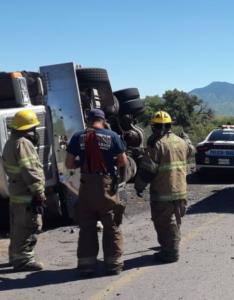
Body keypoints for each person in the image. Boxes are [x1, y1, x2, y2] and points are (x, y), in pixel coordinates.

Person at [65, 108, 128, 276]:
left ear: (88, 120)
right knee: (111, 224)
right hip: (105, 185)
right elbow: (123, 161)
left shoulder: (78, 137)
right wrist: (110, 162)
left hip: (86, 185)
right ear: (103, 120)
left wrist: (82, 163)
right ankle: (113, 264)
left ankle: (87, 265)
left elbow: (69, 164)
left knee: (87, 226)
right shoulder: (112, 136)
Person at [135, 110, 194, 263]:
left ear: (155, 127)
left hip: (163, 192)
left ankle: (170, 253)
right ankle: (171, 248)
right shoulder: (181, 142)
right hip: (181, 191)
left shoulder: (157, 145)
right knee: (175, 221)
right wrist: (187, 140)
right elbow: (190, 151)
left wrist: (139, 186)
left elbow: (148, 171)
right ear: (169, 126)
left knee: (165, 223)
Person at [2, 109, 46, 271]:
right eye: (32, 128)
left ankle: (15, 255)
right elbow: (31, 169)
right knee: (29, 225)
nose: (34, 131)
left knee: (17, 226)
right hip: (27, 193)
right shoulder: (23, 144)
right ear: (27, 129)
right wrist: (39, 192)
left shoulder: (11, 142)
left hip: (16, 192)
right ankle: (23, 260)